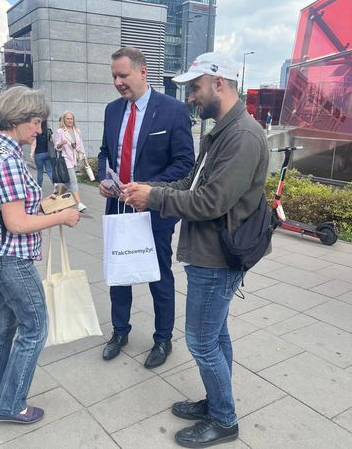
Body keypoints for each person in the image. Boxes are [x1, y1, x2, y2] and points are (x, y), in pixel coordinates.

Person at [122, 52, 269, 447]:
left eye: (195, 87)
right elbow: (191, 181)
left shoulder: (243, 136)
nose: (190, 97)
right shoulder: (223, 130)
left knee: (202, 342)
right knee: (216, 336)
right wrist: (149, 189)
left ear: (219, 83)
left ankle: (224, 420)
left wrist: (154, 198)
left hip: (217, 257)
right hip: (209, 252)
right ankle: (217, 402)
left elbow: (210, 202)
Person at [0, 85, 81, 424]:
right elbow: (16, 223)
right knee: (35, 328)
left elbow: (9, 210)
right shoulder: (7, 161)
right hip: (12, 259)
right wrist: (63, 216)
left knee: (3, 320)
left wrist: (44, 204)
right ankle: (9, 404)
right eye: (35, 122)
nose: (39, 130)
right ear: (16, 120)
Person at [97, 46, 194, 368]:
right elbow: (104, 152)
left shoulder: (173, 110)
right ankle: (119, 332)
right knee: (118, 275)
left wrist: (147, 189)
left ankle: (163, 339)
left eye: (123, 75)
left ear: (142, 72)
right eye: (114, 76)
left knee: (159, 277)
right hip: (118, 207)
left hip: (154, 210)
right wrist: (104, 177)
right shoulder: (112, 110)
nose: (117, 82)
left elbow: (184, 163)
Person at [53, 111, 88, 212]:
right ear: (64, 120)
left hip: (74, 159)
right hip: (65, 159)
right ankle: (79, 203)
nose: (69, 120)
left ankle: (57, 202)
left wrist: (85, 158)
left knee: (66, 184)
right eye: (67, 118)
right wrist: (61, 143)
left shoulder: (77, 131)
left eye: (71, 119)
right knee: (73, 181)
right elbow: (56, 147)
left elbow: (80, 146)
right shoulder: (60, 131)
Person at [30, 119, 53, 187]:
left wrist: (31, 154)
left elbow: (34, 144)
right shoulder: (49, 130)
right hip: (47, 153)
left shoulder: (36, 131)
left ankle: (39, 186)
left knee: (40, 171)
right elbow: (52, 141)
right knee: (49, 170)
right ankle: (55, 184)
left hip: (38, 154)